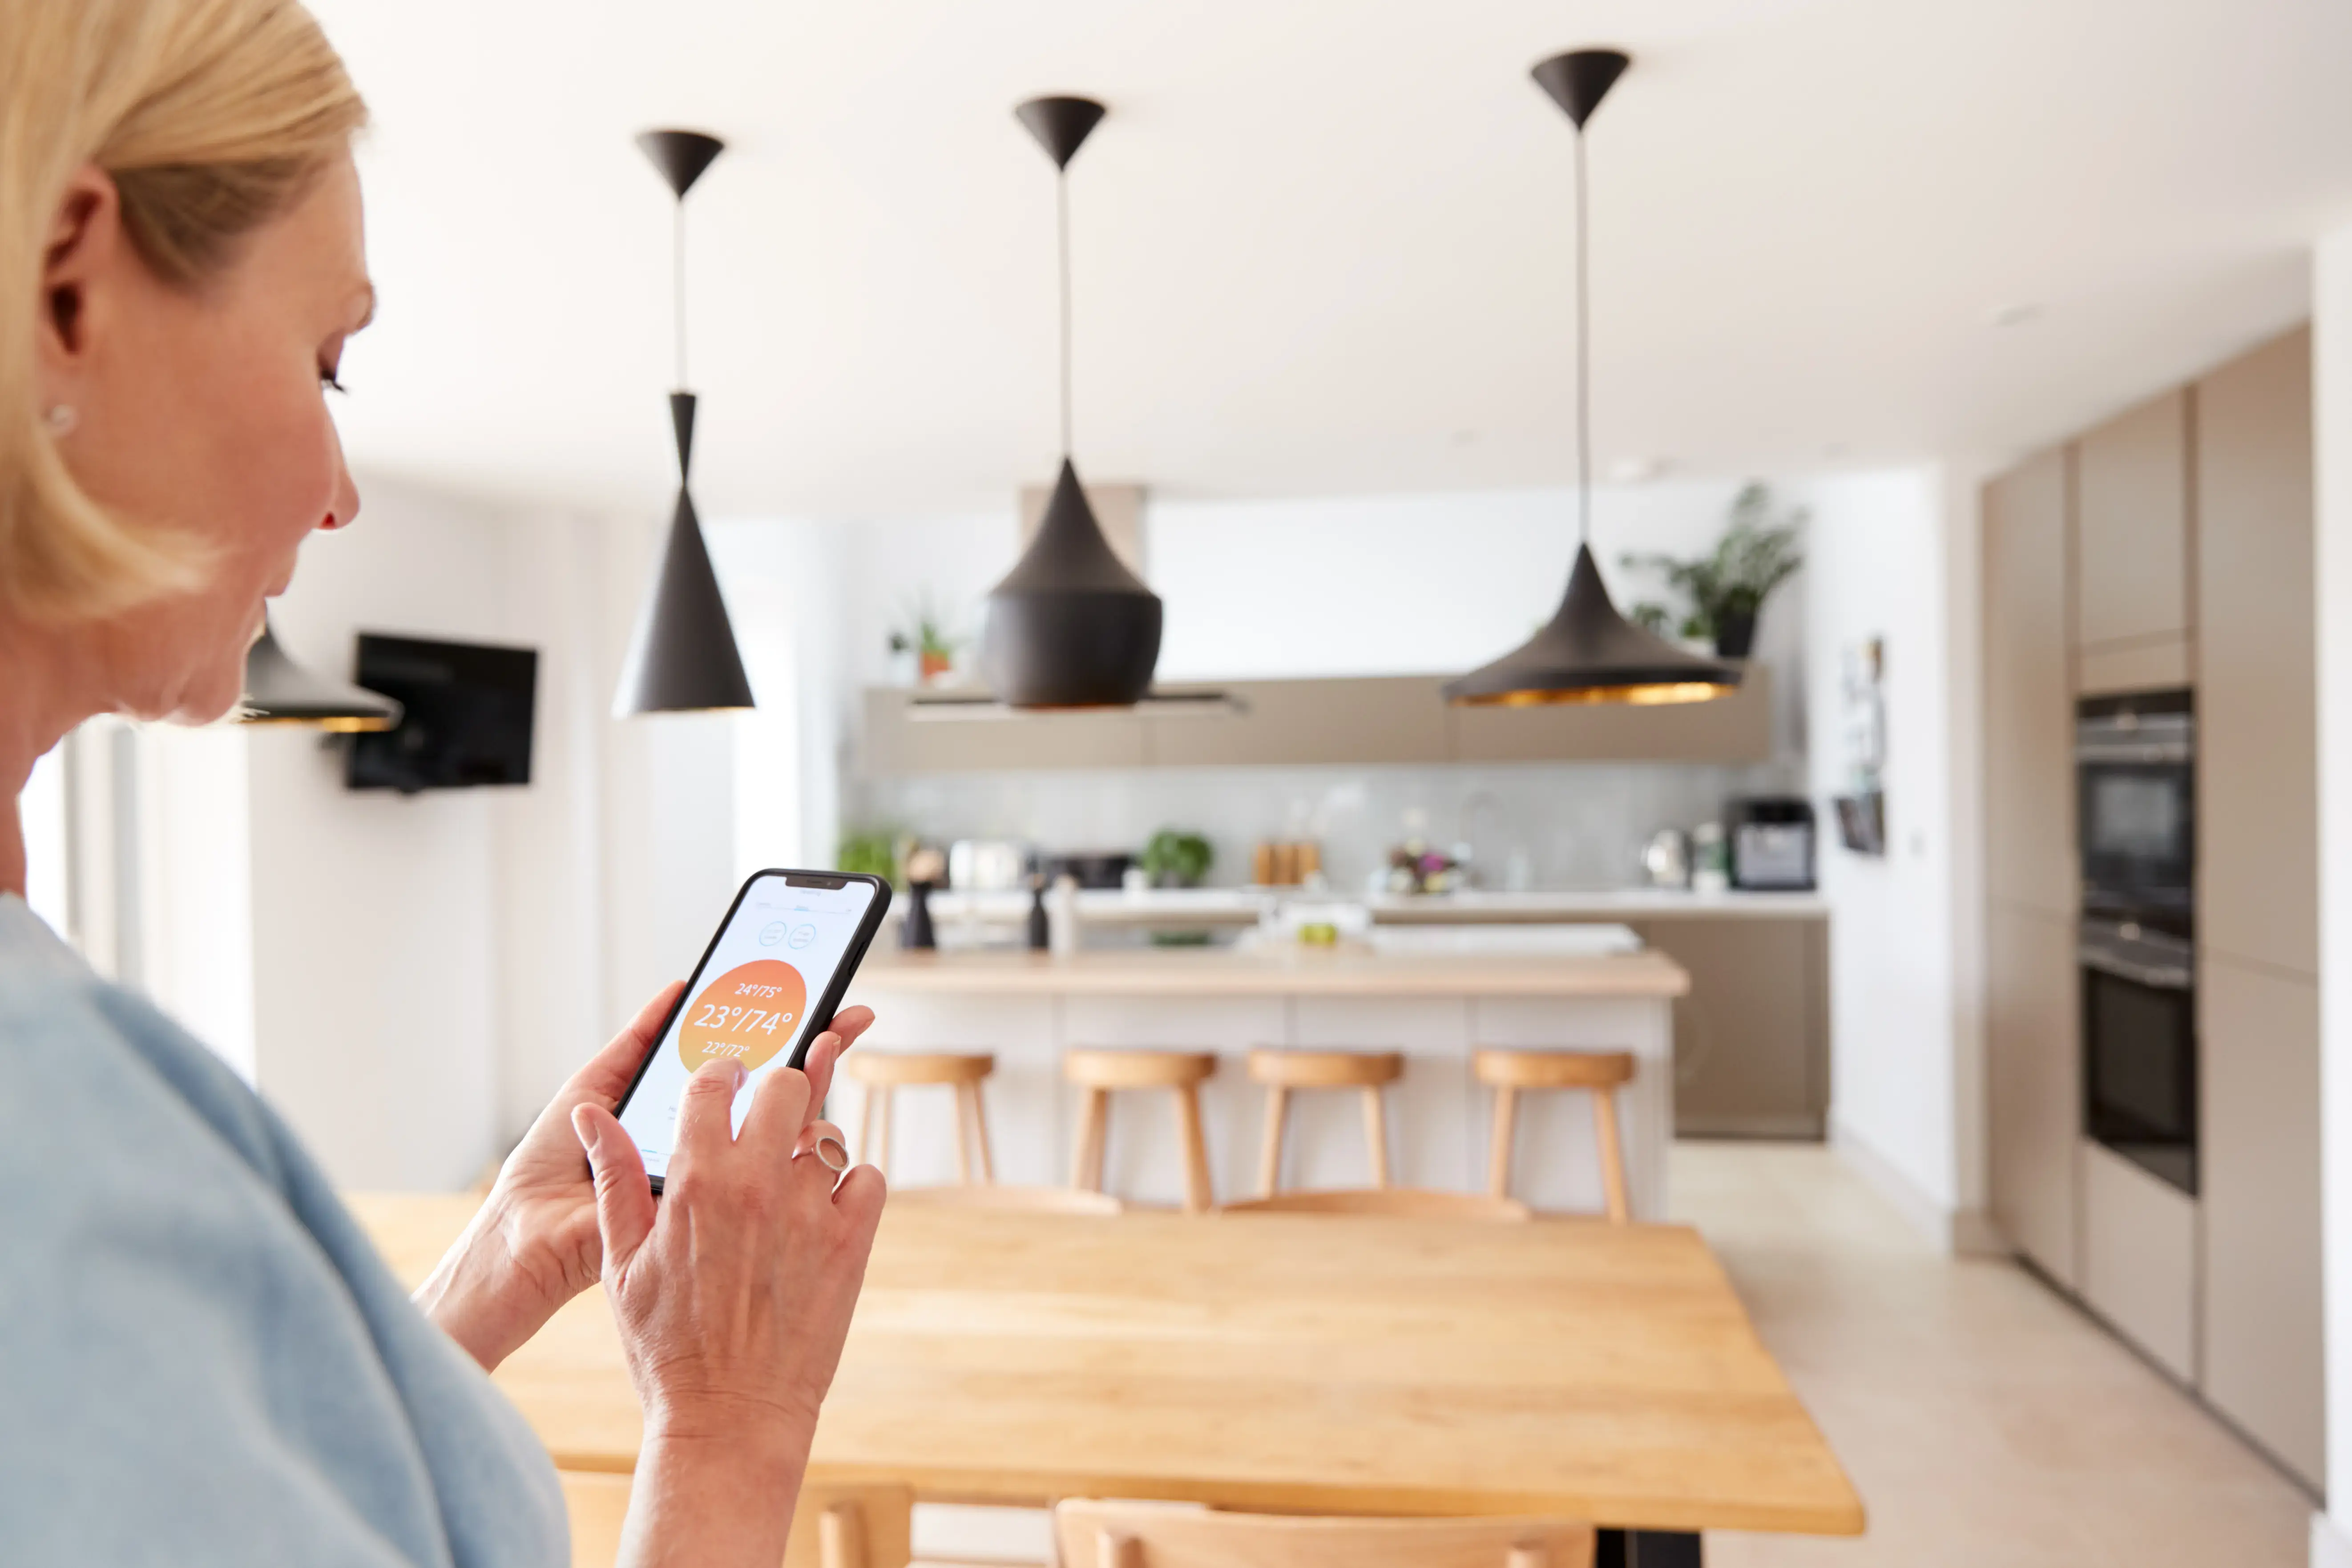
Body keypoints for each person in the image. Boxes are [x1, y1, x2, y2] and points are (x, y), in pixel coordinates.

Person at [0, 1, 888, 1563]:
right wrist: (731, 1414)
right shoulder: (47, 1123)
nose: (341, 497)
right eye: (330, 361)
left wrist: (484, 1270)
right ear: (72, 288)